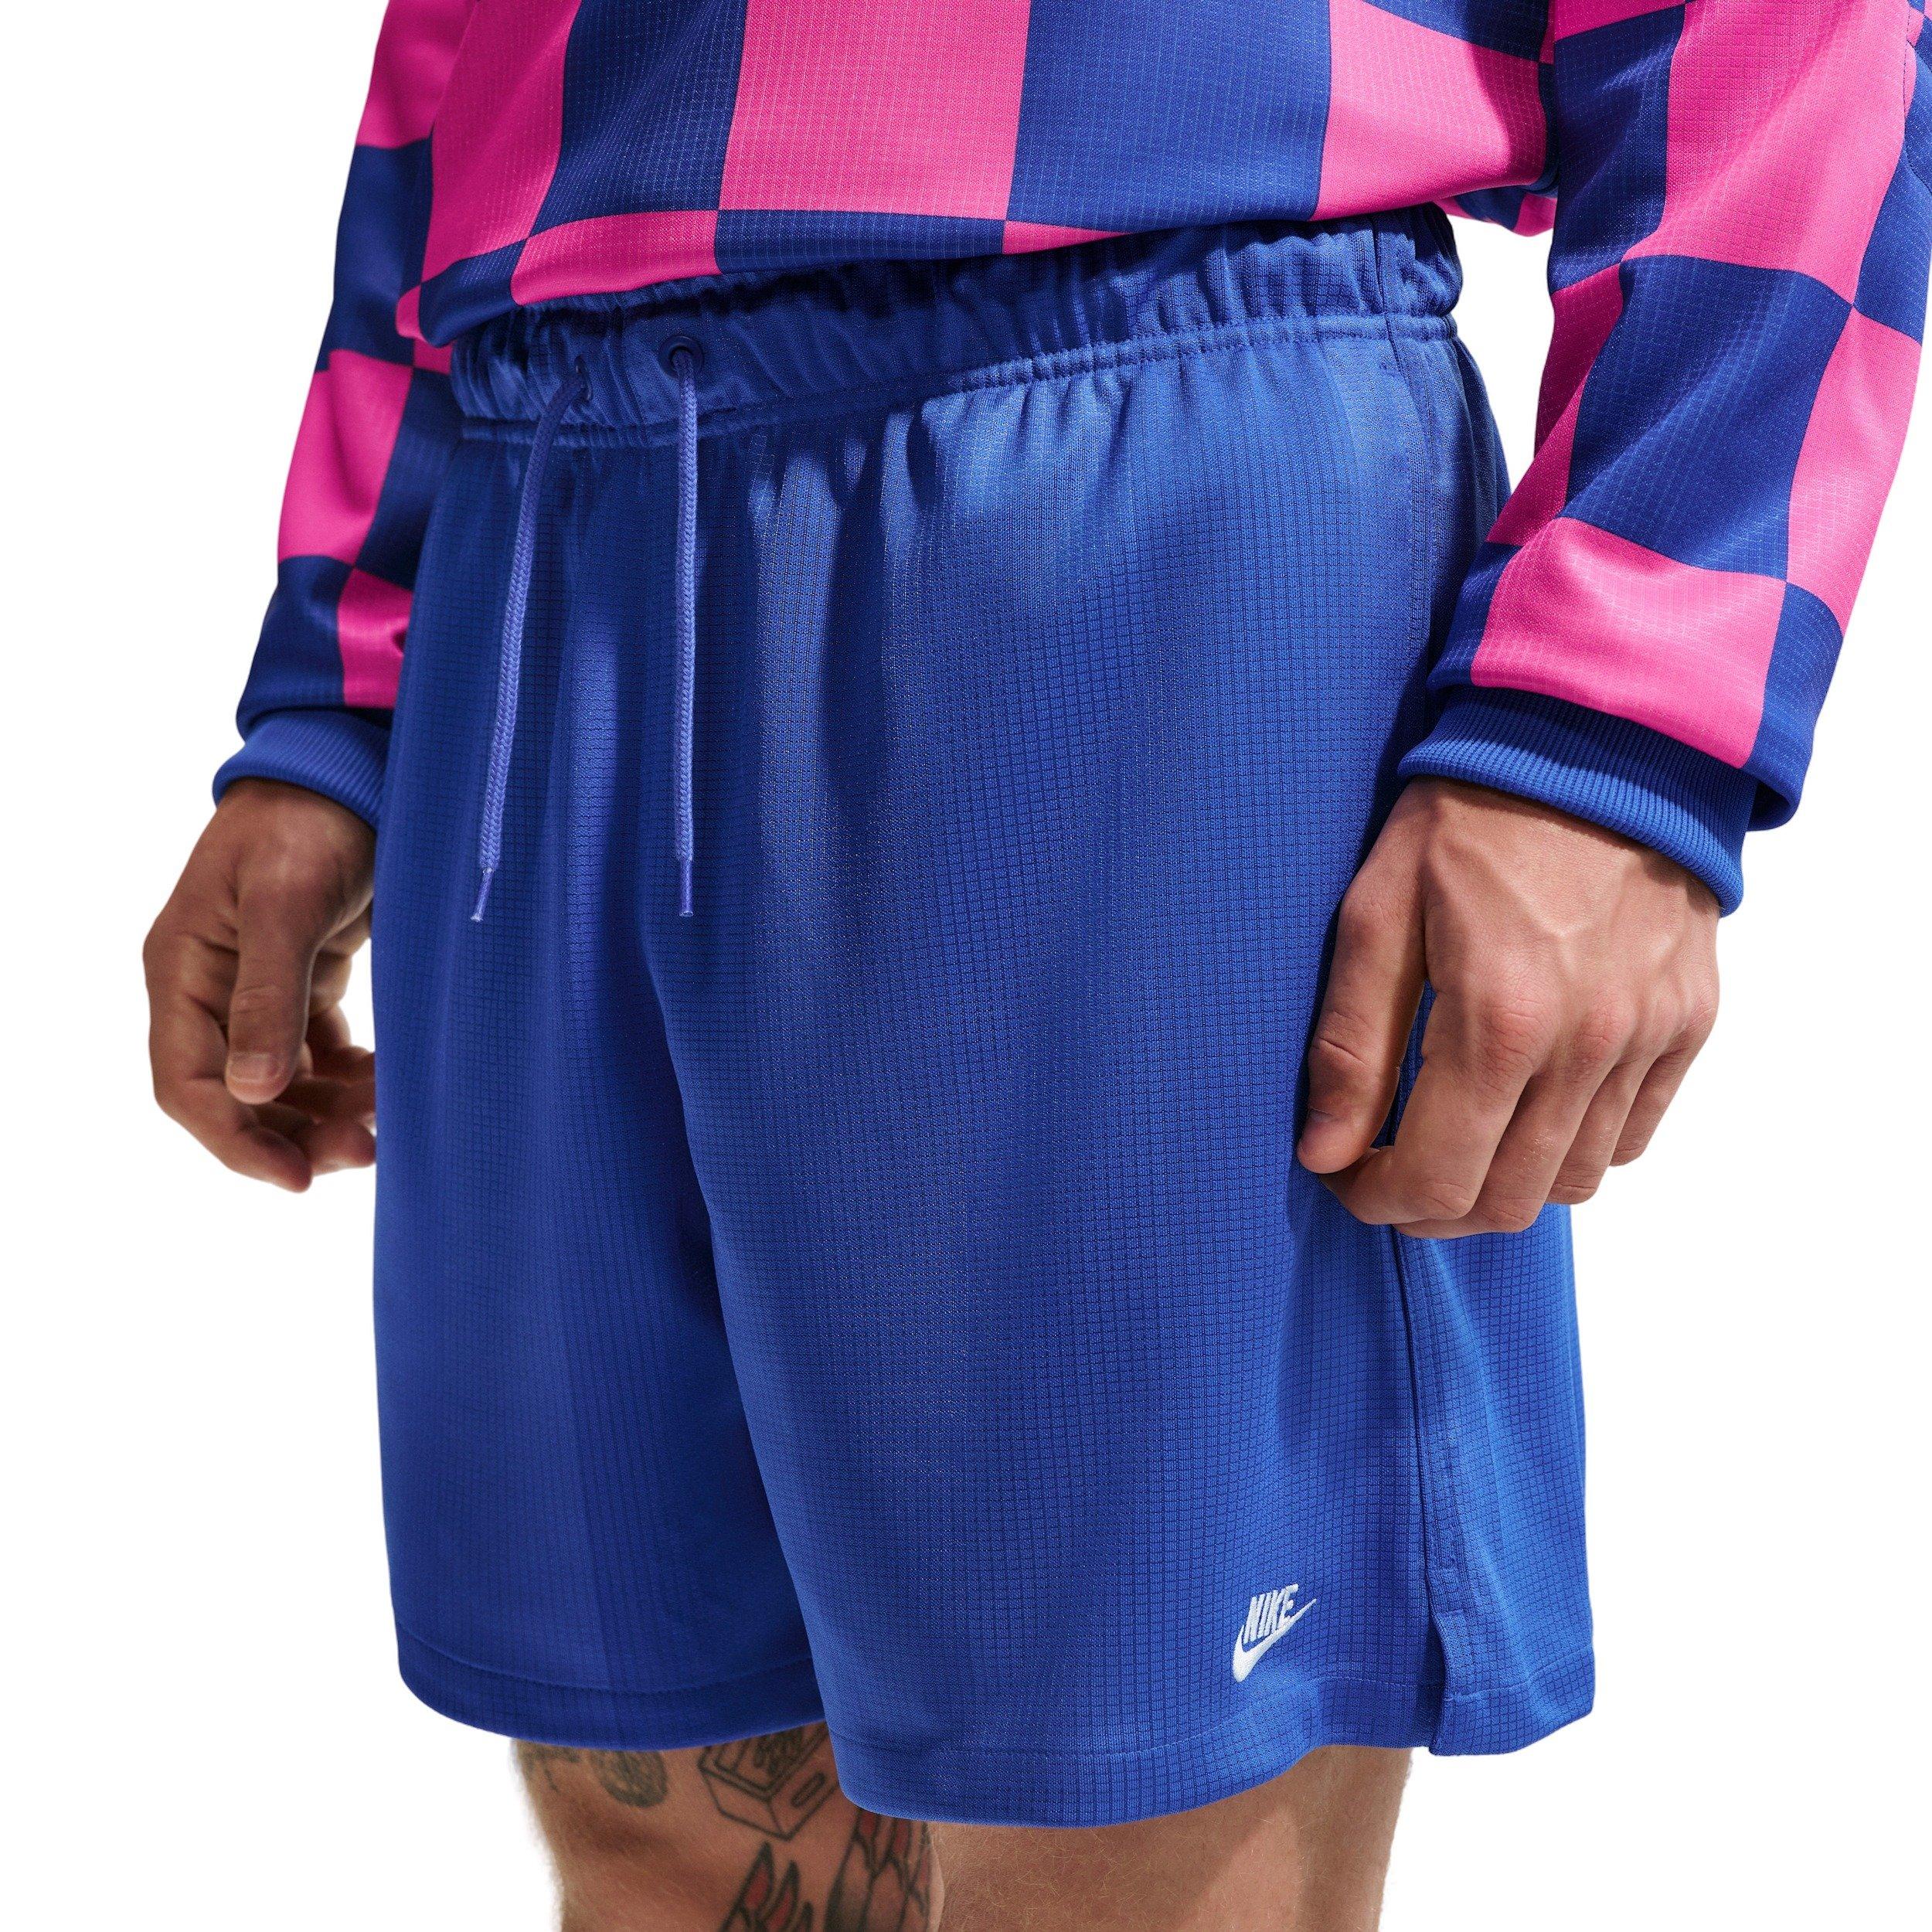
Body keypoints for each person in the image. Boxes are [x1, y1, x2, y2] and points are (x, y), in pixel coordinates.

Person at [145, 4, 1930, 1927]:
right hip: (537, 507)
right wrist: (344, 680)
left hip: (1131, 447)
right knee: (670, 1832)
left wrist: (1623, 704)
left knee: (1122, 1852)